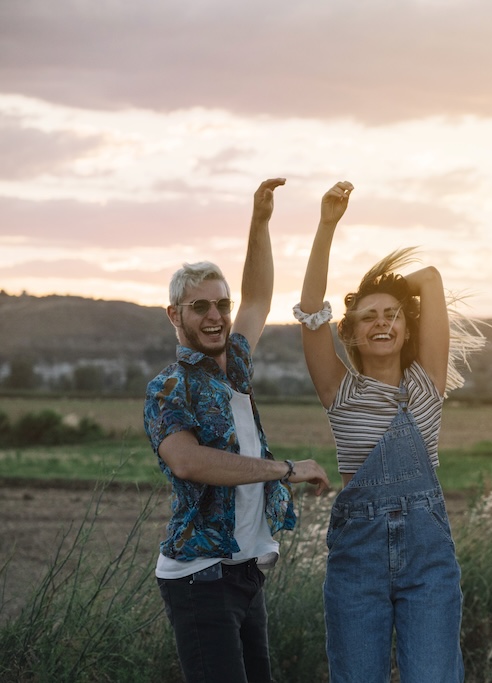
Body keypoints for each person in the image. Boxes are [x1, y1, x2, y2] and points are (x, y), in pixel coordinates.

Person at [294, 181, 484, 683]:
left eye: (391, 315)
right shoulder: (340, 390)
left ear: (406, 327)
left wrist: (390, 285)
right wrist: (327, 226)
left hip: (428, 559)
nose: (381, 323)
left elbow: (431, 277)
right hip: (357, 563)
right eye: (368, 317)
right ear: (351, 333)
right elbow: (311, 312)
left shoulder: (428, 383)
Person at [144, 178, 331, 683]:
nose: (215, 316)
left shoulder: (236, 366)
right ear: (174, 316)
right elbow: (190, 461)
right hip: (199, 577)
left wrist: (261, 221)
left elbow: (261, 295)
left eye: (220, 305)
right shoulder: (169, 389)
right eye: (199, 307)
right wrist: (285, 470)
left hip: (245, 571)